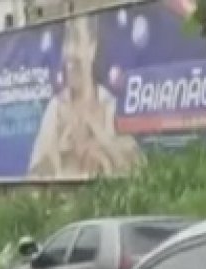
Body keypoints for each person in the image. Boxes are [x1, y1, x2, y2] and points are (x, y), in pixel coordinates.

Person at [27, 14, 142, 180]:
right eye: (66, 41)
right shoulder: (56, 109)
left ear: (92, 47)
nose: (68, 52)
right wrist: (56, 158)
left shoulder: (110, 106)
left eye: (76, 40)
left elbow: (136, 169)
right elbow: (33, 177)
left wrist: (101, 138)